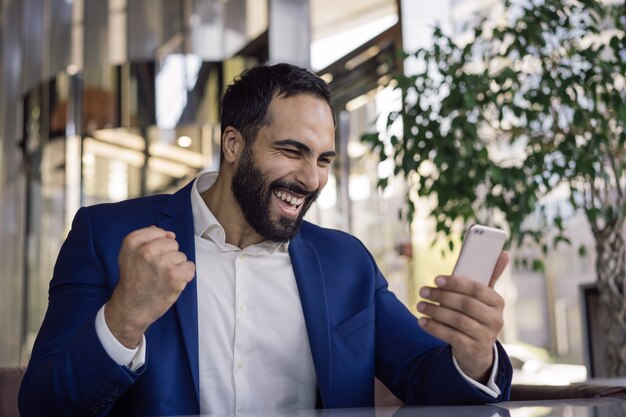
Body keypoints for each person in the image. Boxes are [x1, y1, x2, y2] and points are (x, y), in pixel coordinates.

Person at [19, 63, 512, 417]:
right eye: (292, 151)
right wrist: (123, 320)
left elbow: (426, 378)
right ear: (233, 144)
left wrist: (475, 356)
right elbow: (42, 405)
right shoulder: (106, 235)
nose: (312, 179)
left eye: (323, 160)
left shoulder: (346, 263)